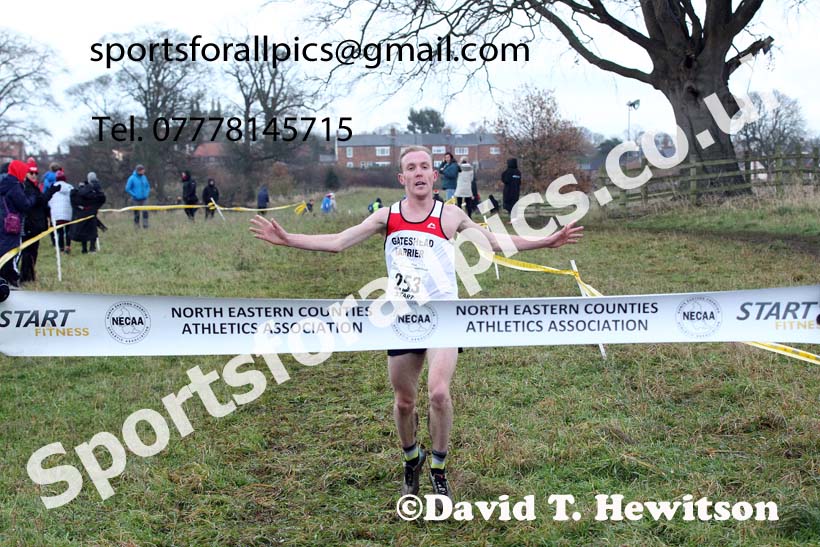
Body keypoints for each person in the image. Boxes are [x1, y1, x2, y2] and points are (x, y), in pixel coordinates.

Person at [249, 145, 584, 502]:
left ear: (434, 175)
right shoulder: (387, 218)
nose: (420, 172)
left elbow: (493, 243)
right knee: (405, 402)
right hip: (403, 319)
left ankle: (438, 468)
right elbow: (337, 242)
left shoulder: (451, 215)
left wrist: (545, 242)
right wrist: (288, 240)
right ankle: (412, 458)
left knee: (439, 392)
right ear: (402, 178)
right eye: (412, 167)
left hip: (444, 319)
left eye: (425, 166)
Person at [20, 163, 60, 283]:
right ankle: (25, 278)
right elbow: (39, 201)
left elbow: (41, 202)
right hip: (29, 224)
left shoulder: (34, 187)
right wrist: (51, 192)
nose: (33, 175)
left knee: (33, 252)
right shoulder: (27, 187)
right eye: (31, 173)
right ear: (26, 174)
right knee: (28, 252)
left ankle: (30, 276)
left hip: (36, 225)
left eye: (35, 173)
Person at [0, 160, 36, 287]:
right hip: (11, 225)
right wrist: (32, 198)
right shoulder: (14, 186)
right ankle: (11, 280)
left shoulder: (3, 184)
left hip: (2, 222)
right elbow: (24, 204)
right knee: (12, 251)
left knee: (3, 250)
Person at [70, 176, 107, 254]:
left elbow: (74, 201)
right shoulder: (92, 194)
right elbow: (102, 199)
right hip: (90, 215)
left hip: (83, 215)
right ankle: (91, 249)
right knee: (92, 232)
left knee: (86, 232)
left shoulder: (77, 193)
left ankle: (85, 249)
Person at [48, 170, 74, 253]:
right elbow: (74, 198)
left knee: (60, 231)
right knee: (68, 230)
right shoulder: (70, 187)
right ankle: (68, 246)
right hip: (68, 212)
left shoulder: (52, 187)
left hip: (56, 213)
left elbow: (48, 200)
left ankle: (61, 248)